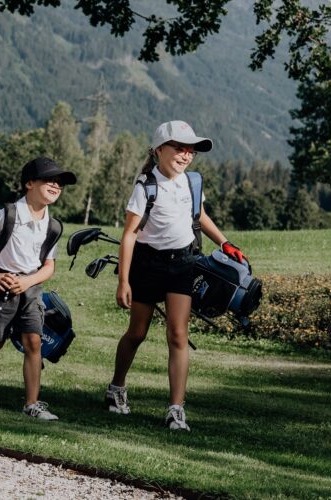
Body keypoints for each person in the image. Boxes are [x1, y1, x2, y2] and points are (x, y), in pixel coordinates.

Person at [104, 120, 247, 431]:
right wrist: (123, 281)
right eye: (179, 148)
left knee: (178, 335)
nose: (186, 155)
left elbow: (200, 215)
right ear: (159, 150)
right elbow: (129, 235)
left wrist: (225, 243)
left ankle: (176, 409)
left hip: (183, 264)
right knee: (137, 333)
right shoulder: (146, 186)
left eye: (191, 151)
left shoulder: (192, 182)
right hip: (147, 265)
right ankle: (116, 387)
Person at [0, 157, 77, 420]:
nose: (56, 186)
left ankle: (32, 404)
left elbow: (49, 266)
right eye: (49, 180)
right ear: (29, 183)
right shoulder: (8, 214)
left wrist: (28, 282)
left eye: (59, 183)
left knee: (33, 341)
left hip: (31, 288)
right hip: (1, 287)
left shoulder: (53, 226)